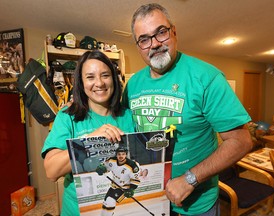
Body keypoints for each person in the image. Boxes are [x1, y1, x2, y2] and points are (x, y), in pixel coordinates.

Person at [122, 3, 253, 216]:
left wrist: (190, 179)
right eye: (144, 39)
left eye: (160, 33)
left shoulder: (207, 78)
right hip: (149, 200)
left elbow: (241, 141)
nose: (154, 44)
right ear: (138, 46)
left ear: (174, 32)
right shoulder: (132, 85)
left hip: (196, 207)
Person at [42, 50, 135, 216]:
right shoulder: (67, 117)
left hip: (123, 208)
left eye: (105, 75)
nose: (99, 83)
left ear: (113, 79)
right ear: (81, 83)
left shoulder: (128, 116)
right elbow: (51, 171)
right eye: (90, 77)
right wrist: (90, 141)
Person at [95, 146, 141, 216]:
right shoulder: (111, 160)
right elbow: (105, 167)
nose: (121, 156)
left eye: (123, 154)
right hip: (114, 186)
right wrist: (101, 169)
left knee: (110, 201)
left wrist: (131, 189)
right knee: (106, 202)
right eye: (119, 154)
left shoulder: (132, 165)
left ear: (126, 154)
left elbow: (135, 179)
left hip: (124, 189)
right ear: (116, 154)